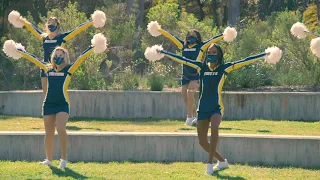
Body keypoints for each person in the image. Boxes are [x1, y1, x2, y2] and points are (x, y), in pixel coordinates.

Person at [144, 43, 282, 174]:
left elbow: (244, 61)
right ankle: (222, 161)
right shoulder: (201, 67)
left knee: (215, 127)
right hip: (202, 108)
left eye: (214, 52)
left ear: (219, 54)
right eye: (209, 52)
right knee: (202, 142)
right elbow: (183, 60)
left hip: (216, 107)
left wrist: (264, 54)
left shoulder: (224, 68)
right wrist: (164, 52)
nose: (210, 54)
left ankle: (209, 163)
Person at [3, 33, 107, 168]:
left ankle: (64, 159)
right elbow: (34, 59)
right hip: (48, 104)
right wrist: (20, 51)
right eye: (56, 54)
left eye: (61, 54)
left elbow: (81, 58)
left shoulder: (69, 69)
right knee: (49, 132)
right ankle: (49, 159)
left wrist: (93, 47)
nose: (58, 56)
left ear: (65, 57)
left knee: (61, 128)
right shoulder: (47, 68)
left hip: (63, 104)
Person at [147, 21, 237, 126]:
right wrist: (159, 30)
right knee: (186, 99)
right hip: (185, 76)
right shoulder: (182, 45)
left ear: (198, 37)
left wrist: (225, 35)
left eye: (194, 36)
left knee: (190, 93)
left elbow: (213, 40)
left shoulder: (202, 47)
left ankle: (189, 118)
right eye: (189, 35)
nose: (191, 37)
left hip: (196, 75)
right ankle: (197, 117)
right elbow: (171, 37)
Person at [8, 10, 106, 94]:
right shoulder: (43, 37)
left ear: (57, 26)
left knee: (59, 92)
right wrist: (20, 20)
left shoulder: (62, 38)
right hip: (45, 67)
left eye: (53, 24)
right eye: (49, 23)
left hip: (59, 68)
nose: (51, 25)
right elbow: (31, 27)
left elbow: (77, 29)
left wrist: (91, 22)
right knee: (46, 95)